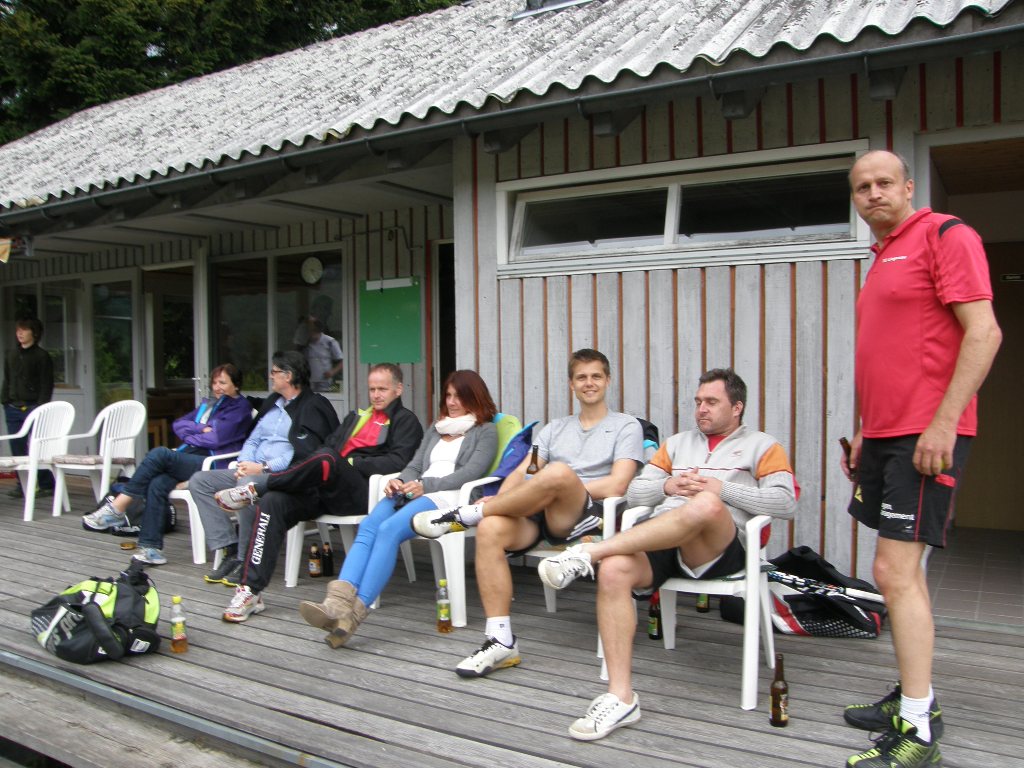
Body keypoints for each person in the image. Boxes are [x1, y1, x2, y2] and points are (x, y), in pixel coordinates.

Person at [839, 151, 1001, 768]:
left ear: (909, 186)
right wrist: (865, 431)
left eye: (884, 182)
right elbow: (887, 353)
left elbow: (984, 332)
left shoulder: (945, 234)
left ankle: (917, 731)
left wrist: (943, 423)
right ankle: (915, 695)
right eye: (862, 187)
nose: (873, 193)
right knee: (900, 573)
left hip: (925, 435)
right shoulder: (882, 256)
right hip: (885, 436)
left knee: (893, 572)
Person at [537, 368, 797, 740]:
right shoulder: (675, 444)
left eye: (712, 402)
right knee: (614, 570)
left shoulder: (763, 446)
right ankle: (621, 697)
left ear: (737, 407)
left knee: (705, 503)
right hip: (665, 539)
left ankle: (589, 553)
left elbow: (784, 502)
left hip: (719, 547)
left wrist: (721, 489)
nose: (701, 409)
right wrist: (668, 486)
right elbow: (635, 492)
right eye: (698, 402)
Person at [412, 348, 644, 678]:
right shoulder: (555, 429)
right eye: (581, 377)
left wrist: (560, 487)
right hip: (539, 510)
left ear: (608, 380)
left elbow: (618, 483)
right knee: (491, 528)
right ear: (571, 384)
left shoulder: (626, 426)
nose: (589, 383)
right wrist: (508, 499)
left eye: (596, 376)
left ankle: (467, 514)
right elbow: (524, 472)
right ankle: (500, 640)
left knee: (559, 473)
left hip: (584, 515)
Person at [298, 370, 498, 647]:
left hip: (449, 497)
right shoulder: (437, 427)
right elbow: (415, 464)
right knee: (369, 525)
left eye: (459, 396)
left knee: (389, 529)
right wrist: (400, 480)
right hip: (416, 488)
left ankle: (354, 614)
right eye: (448, 395)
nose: (451, 402)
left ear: (474, 397)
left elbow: (470, 473)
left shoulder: (486, 431)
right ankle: (336, 603)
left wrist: (425, 485)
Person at [212, 362, 422, 622]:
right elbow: (328, 446)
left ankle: (261, 486)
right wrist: (328, 464)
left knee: (327, 459)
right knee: (273, 502)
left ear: (398, 389)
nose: (376, 395)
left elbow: (398, 462)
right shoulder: (356, 416)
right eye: (372, 389)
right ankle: (250, 591)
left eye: (383, 389)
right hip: (323, 490)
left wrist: (350, 463)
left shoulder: (405, 421)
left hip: (360, 494)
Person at [187, 351, 340, 604]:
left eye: (274, 372)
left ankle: (245, 559)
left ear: (288, 376)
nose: (270, 376)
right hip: (251, 469)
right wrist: (243, 464)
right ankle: (229, 547)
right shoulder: (272, 403)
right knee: (199, 481)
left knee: (245, 487)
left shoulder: (312, 406)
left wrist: (262, 468)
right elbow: (253, 439)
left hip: (282, 475)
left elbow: (303, 453)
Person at [79, 364, 253, 565]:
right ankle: (151, 549)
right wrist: (200, 428)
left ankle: (118, 507)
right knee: (157, 483)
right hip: (190, 456)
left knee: (159, 454)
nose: (217, 387)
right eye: (214, 382)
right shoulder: (209, 404)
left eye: (222, 382)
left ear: (236, 385)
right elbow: (178, 424)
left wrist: (193, 435)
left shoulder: (240, 408)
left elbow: (216, 439)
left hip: (212, 464)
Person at [1, 316, 55, 498]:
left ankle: (46, 484)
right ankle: (22, 484)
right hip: (13, 407)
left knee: (38, 446)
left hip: (33, 406)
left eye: (24, 330)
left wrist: (41, 407)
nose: (20, 333)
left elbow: (47, 384)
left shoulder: (41, 356)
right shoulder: (11, 354)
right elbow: (8, 379)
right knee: (17, 447)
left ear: (35, 333)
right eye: (18, 330)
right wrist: (5, 401)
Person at [298, 317, 343, 393]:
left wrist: (332, 372)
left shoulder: (330, 342)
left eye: (313, 330)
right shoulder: (306, 343)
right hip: (309, 381)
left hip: (326, 382)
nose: (310, 333)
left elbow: (342, 362)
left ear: (318, 330)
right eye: (308, 330)